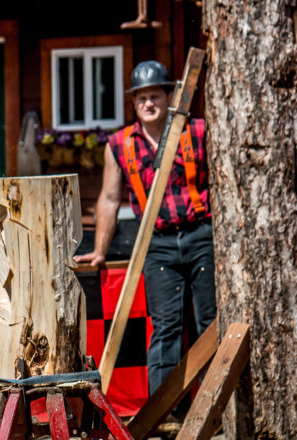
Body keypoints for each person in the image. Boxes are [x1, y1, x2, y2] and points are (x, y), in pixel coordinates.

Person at [75, 60, 216, 401]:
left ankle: (219, 405)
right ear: (134, 103)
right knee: (165, 327)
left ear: (170, 96)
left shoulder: (198, 131)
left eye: (155, 96)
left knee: (212, 323)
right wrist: (100, 249)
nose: (148, 104)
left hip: (203, 236)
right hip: (157, 243)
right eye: (141, 99)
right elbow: (109, 200)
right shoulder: (120, 144)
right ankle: (164, 412)